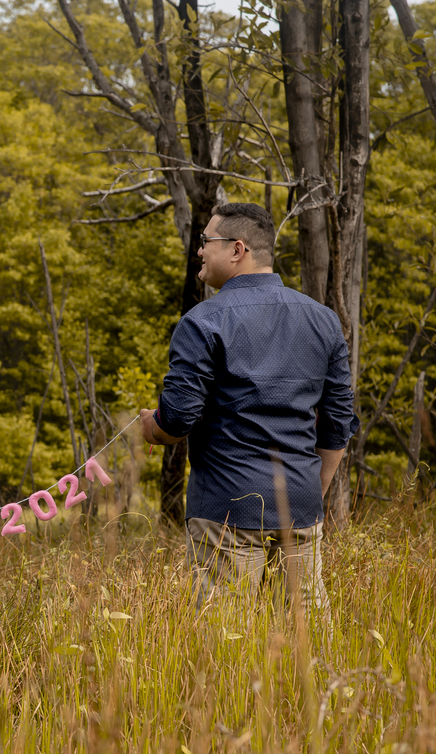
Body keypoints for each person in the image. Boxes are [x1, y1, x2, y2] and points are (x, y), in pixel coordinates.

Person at [139, 203, 359, 613]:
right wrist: (311, 493)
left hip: (226, 512)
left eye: (206, 241)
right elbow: (338, 424)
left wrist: (150, 427)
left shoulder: (202, 322)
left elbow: (177, 420)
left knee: (223, 639)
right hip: (300, 509)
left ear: (237, 249)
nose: (199, 250)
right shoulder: (324, 321)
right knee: (304, 639)